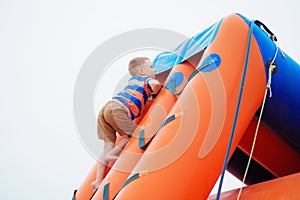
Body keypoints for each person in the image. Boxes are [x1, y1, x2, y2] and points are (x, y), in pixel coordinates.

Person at [91, 57, 161, 191]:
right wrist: (156, 93)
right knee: (133, 136)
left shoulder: (132, 81)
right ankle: (112, 154)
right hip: (118, 109)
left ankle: (97, 181)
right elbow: (155, 84)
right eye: (151, 67)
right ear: (142, 71)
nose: (154, 70)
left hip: (106, 108)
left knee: (107, 145)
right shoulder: (145, 79)